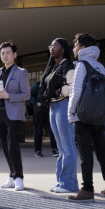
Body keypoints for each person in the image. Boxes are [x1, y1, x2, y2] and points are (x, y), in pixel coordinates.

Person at [67, 33, 105, 201]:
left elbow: (75, 93)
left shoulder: (82, 65)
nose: (74, 48)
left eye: (75, 45)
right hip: (98, 116)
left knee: (85, 154)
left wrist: (70, 113)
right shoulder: (100, 66)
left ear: (82, 48)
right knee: (102, 151)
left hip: (82, 116)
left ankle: (87, 189)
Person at [0, 41, 31, 192]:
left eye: (8, 53)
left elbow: (26, 95)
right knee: (5, 146)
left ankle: (19, 177)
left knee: (13, 145)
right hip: (0, 114)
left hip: (14, 113)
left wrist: (9, 96)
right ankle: (11, 176)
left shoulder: (21, 72)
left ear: (14, 55)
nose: (5, 55)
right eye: (2, 53)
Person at [39, 38, 79, 194]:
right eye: (50, 45)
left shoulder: (68, 66)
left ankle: (69, 184)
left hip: (63, 105)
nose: (51, 48)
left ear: (63, 49)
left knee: (68, 146)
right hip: (53, 107)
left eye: (55, 45)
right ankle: (62, 181)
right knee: (61, 148)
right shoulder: (53, 67)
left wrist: (58, 93)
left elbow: (71, 87)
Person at [30, 80, 58, 158]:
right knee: (38, 131)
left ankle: (54, 149)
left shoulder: (52, 83)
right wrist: (35, 102)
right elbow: (28, 94)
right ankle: (38, 151)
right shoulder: (38, 84)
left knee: (52, 130)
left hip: (49, 109)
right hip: (39, 110)